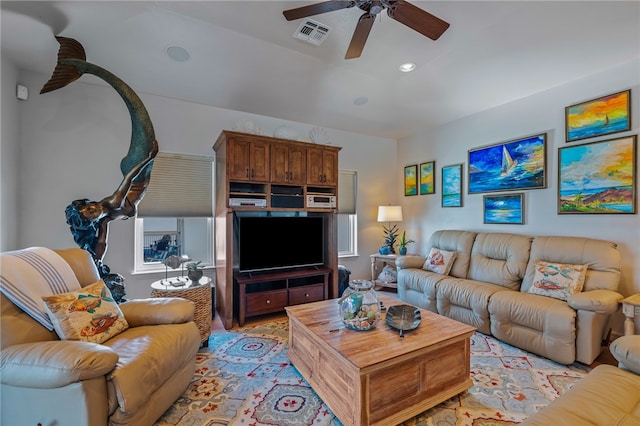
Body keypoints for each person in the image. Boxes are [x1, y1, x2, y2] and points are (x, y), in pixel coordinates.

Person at [65, 140, 158, 274]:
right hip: (136, 198)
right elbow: (102, 243)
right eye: (92, 215)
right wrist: (98, 259)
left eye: (90, 208)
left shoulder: (113, 202)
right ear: (93, 221)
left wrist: (149, 158)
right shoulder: (104, 220)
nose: (94, 209)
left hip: (140, 184)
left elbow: (129, 178)